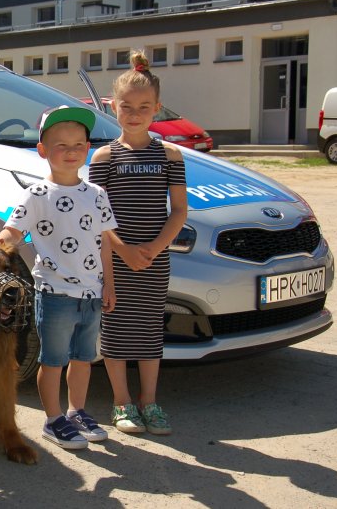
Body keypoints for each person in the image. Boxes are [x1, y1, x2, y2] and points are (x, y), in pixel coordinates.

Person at [0, 106, 117, 450]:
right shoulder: (37, 195)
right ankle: (53, 420)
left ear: (88, 148)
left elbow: (105, 243)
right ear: (42, 150)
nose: (71, 152)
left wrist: (109, 283)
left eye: (78, 145)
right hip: (55, 294)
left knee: (83, 359)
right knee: (53, 361)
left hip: (92, 293)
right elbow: (13, 231)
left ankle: (76, 411)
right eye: (60, 145)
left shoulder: (96, 194)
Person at [88, 51, 188, 435]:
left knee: (148, 332)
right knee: (114, 332)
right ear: (113, 107)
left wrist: (155, 248)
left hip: (154, 260)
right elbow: (97, 218)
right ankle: (121, 402)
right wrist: (122, 254)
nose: (134, 113)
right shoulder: (104, 156)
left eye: (144, 107)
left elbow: (178, 211)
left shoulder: (170, 155)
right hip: (113, 260)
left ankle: (150, 401)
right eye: (126, 106)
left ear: (157, 109)